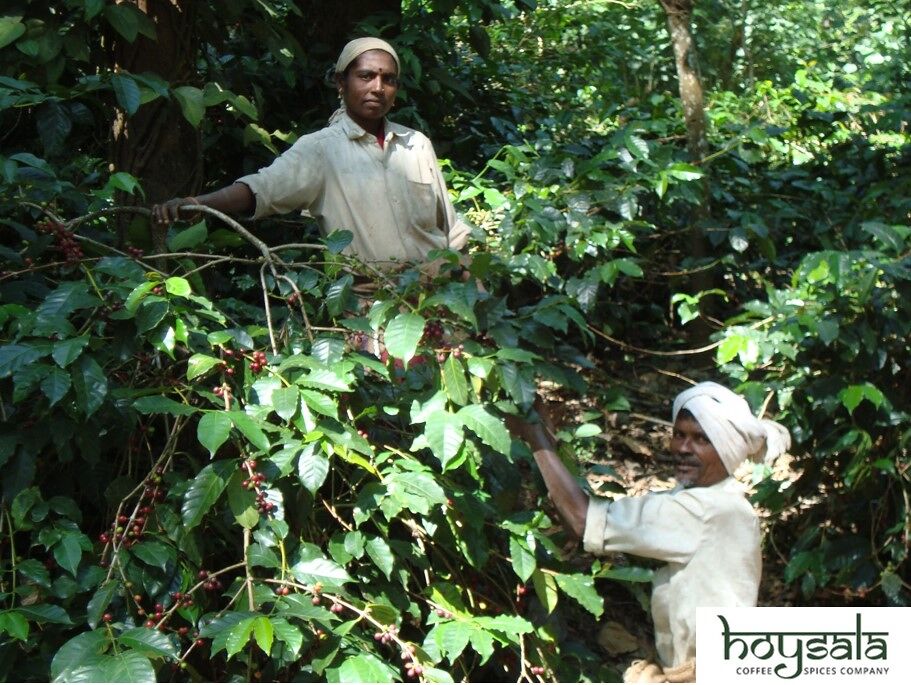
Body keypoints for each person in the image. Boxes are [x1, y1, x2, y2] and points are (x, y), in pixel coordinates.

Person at [507, 382, 791, 683]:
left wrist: (536, 438)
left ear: (725, 448)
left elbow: (582, 520)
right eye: (679, 435)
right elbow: (588, 523)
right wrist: (548, 448)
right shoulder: (713, 500)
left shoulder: (707, 510)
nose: (683, 448)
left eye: (701, 439)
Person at [151, 37, 471, 270]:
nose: (378, 87)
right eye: (366, 76)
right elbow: (262, 188)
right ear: (341, 83)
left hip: (438, 305)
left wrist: (472, 290)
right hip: (370, 312)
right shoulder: (321, 149)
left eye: (388, 79)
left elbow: (451, 232)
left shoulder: (416, 144)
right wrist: (196, 204)